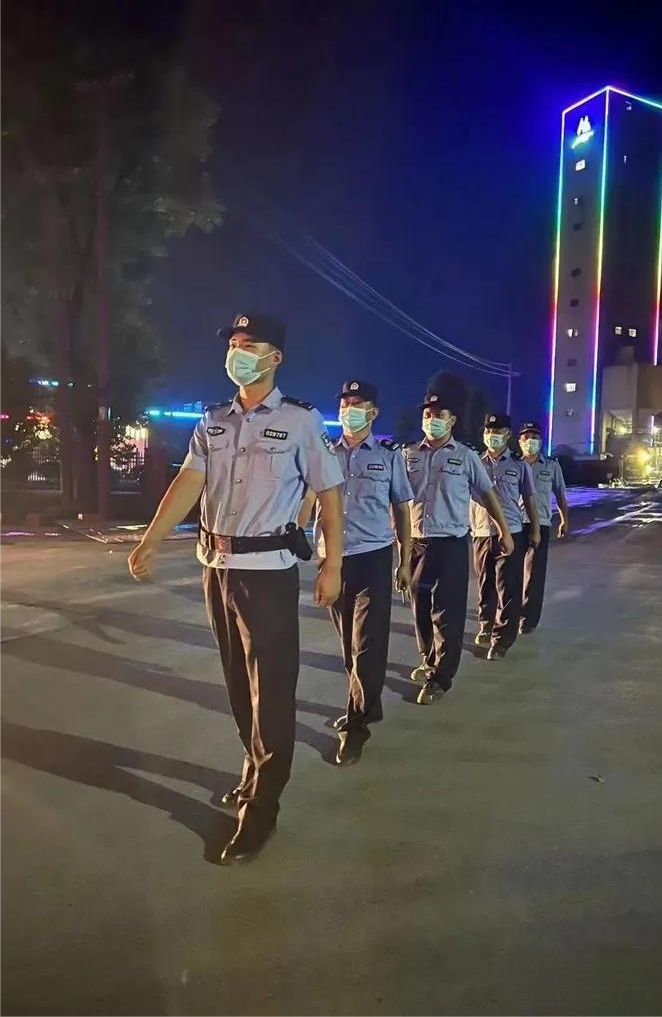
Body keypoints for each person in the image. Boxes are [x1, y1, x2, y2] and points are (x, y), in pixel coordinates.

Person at [127, 312, 344, 865]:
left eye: (249, 345)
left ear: (275, 357)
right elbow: (188, 481)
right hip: (216, 566)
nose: (237, 353)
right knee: (237, 683)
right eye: (233, 344)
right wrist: (151, 539)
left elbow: (329, 493)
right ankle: (253, 768)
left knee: (271, 688)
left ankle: (263, 806)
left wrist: (332, 565)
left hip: (267, 570)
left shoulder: (301, 421)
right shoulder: (214, 421)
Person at [297, 380, 413, 765]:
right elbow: (308, 500)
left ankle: (357, 725)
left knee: (367, 644)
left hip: (373, 556)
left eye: (357, 403)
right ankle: (363, 703)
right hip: (333, 560)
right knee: (349, 644)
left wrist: (405, 560)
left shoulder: (389, 456)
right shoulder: (325, 453)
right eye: (345, 404)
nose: (349, 410)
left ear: (373, 411)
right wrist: (295, 531)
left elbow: (401, 509)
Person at [404, 393, 513, 705]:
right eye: (427, 414)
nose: (431, 420)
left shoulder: (465, 457)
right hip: (417, 543)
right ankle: (428, 657)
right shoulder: (408, 455)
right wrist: (401, 552)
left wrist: (504, 530)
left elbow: (487, 494)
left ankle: (441, 676)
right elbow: (397, 500)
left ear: (452, 420)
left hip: (451, 543)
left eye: (439, 414)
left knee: (447, 610)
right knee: (420, 605)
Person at [470, 413, 541, 660]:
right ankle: (486, 625)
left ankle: (502, 640)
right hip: (481, 531)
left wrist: (535, 529)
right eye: (488, 431)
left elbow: (529, 498)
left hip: (511, 532)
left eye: (497, 431)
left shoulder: (519, 465)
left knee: (508, 587)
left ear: (508, 434)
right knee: (485, 584)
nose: (492, 435)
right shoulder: (474, 462)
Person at [517, 421, 569, 634]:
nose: (530, 441)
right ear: (519, 441)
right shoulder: (513, 464)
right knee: (510, 573)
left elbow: (560, 494)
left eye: (535, 437)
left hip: (541, 524)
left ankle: (528, 619)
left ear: (541, 441)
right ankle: (510, 613)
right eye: (526, 437)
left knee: (535, 574)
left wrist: (564, 520)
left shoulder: (551, 466)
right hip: (515, 524)